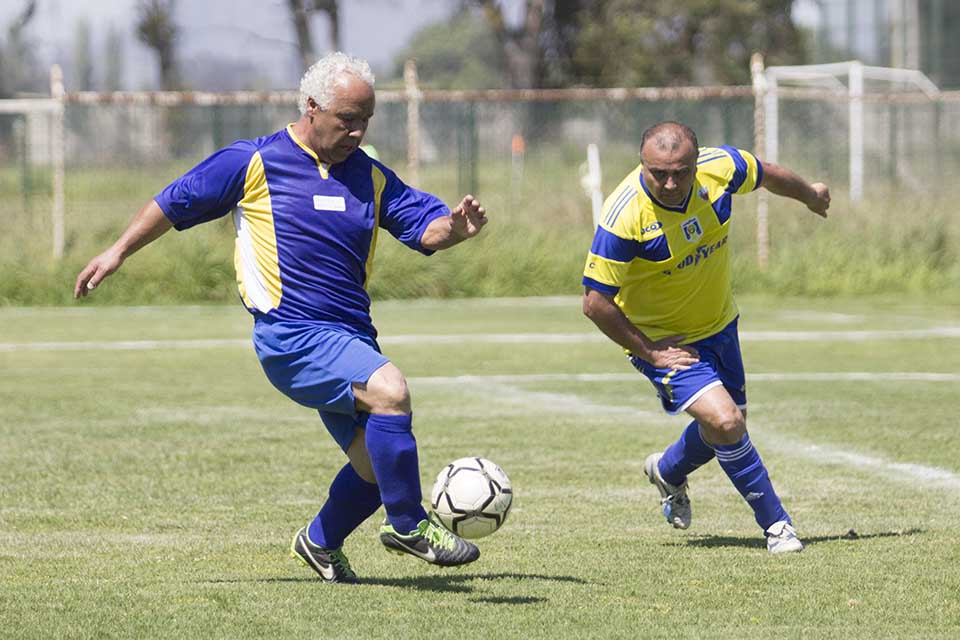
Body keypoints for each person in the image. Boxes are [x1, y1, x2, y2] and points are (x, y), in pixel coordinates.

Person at [74, 52, 489, 583]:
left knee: (373, 463)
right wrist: (117, 251)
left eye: (366, 120)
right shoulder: (254, 161)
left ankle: (319, 542)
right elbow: (173, 202)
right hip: (290, 335)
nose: (357, 132)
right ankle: (408, 525)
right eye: (347, 120)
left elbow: (424, 227)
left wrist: (456, 228)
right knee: (391, 389)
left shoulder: (370, 177)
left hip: (351, 337)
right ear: (312, 108)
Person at [581, 121, 830, 554]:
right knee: (726, 421)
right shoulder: (624, 216)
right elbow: (595, 302)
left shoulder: (720, 167)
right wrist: (652, 351)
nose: (671, 183)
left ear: (697, 162)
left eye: (682, 171)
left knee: (728, 427)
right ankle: (777, 526)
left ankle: (667, 470)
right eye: (659, 173)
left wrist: (809, 194)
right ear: (643, 164)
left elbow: (767, 173)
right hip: (665, 339)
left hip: (721, 325)